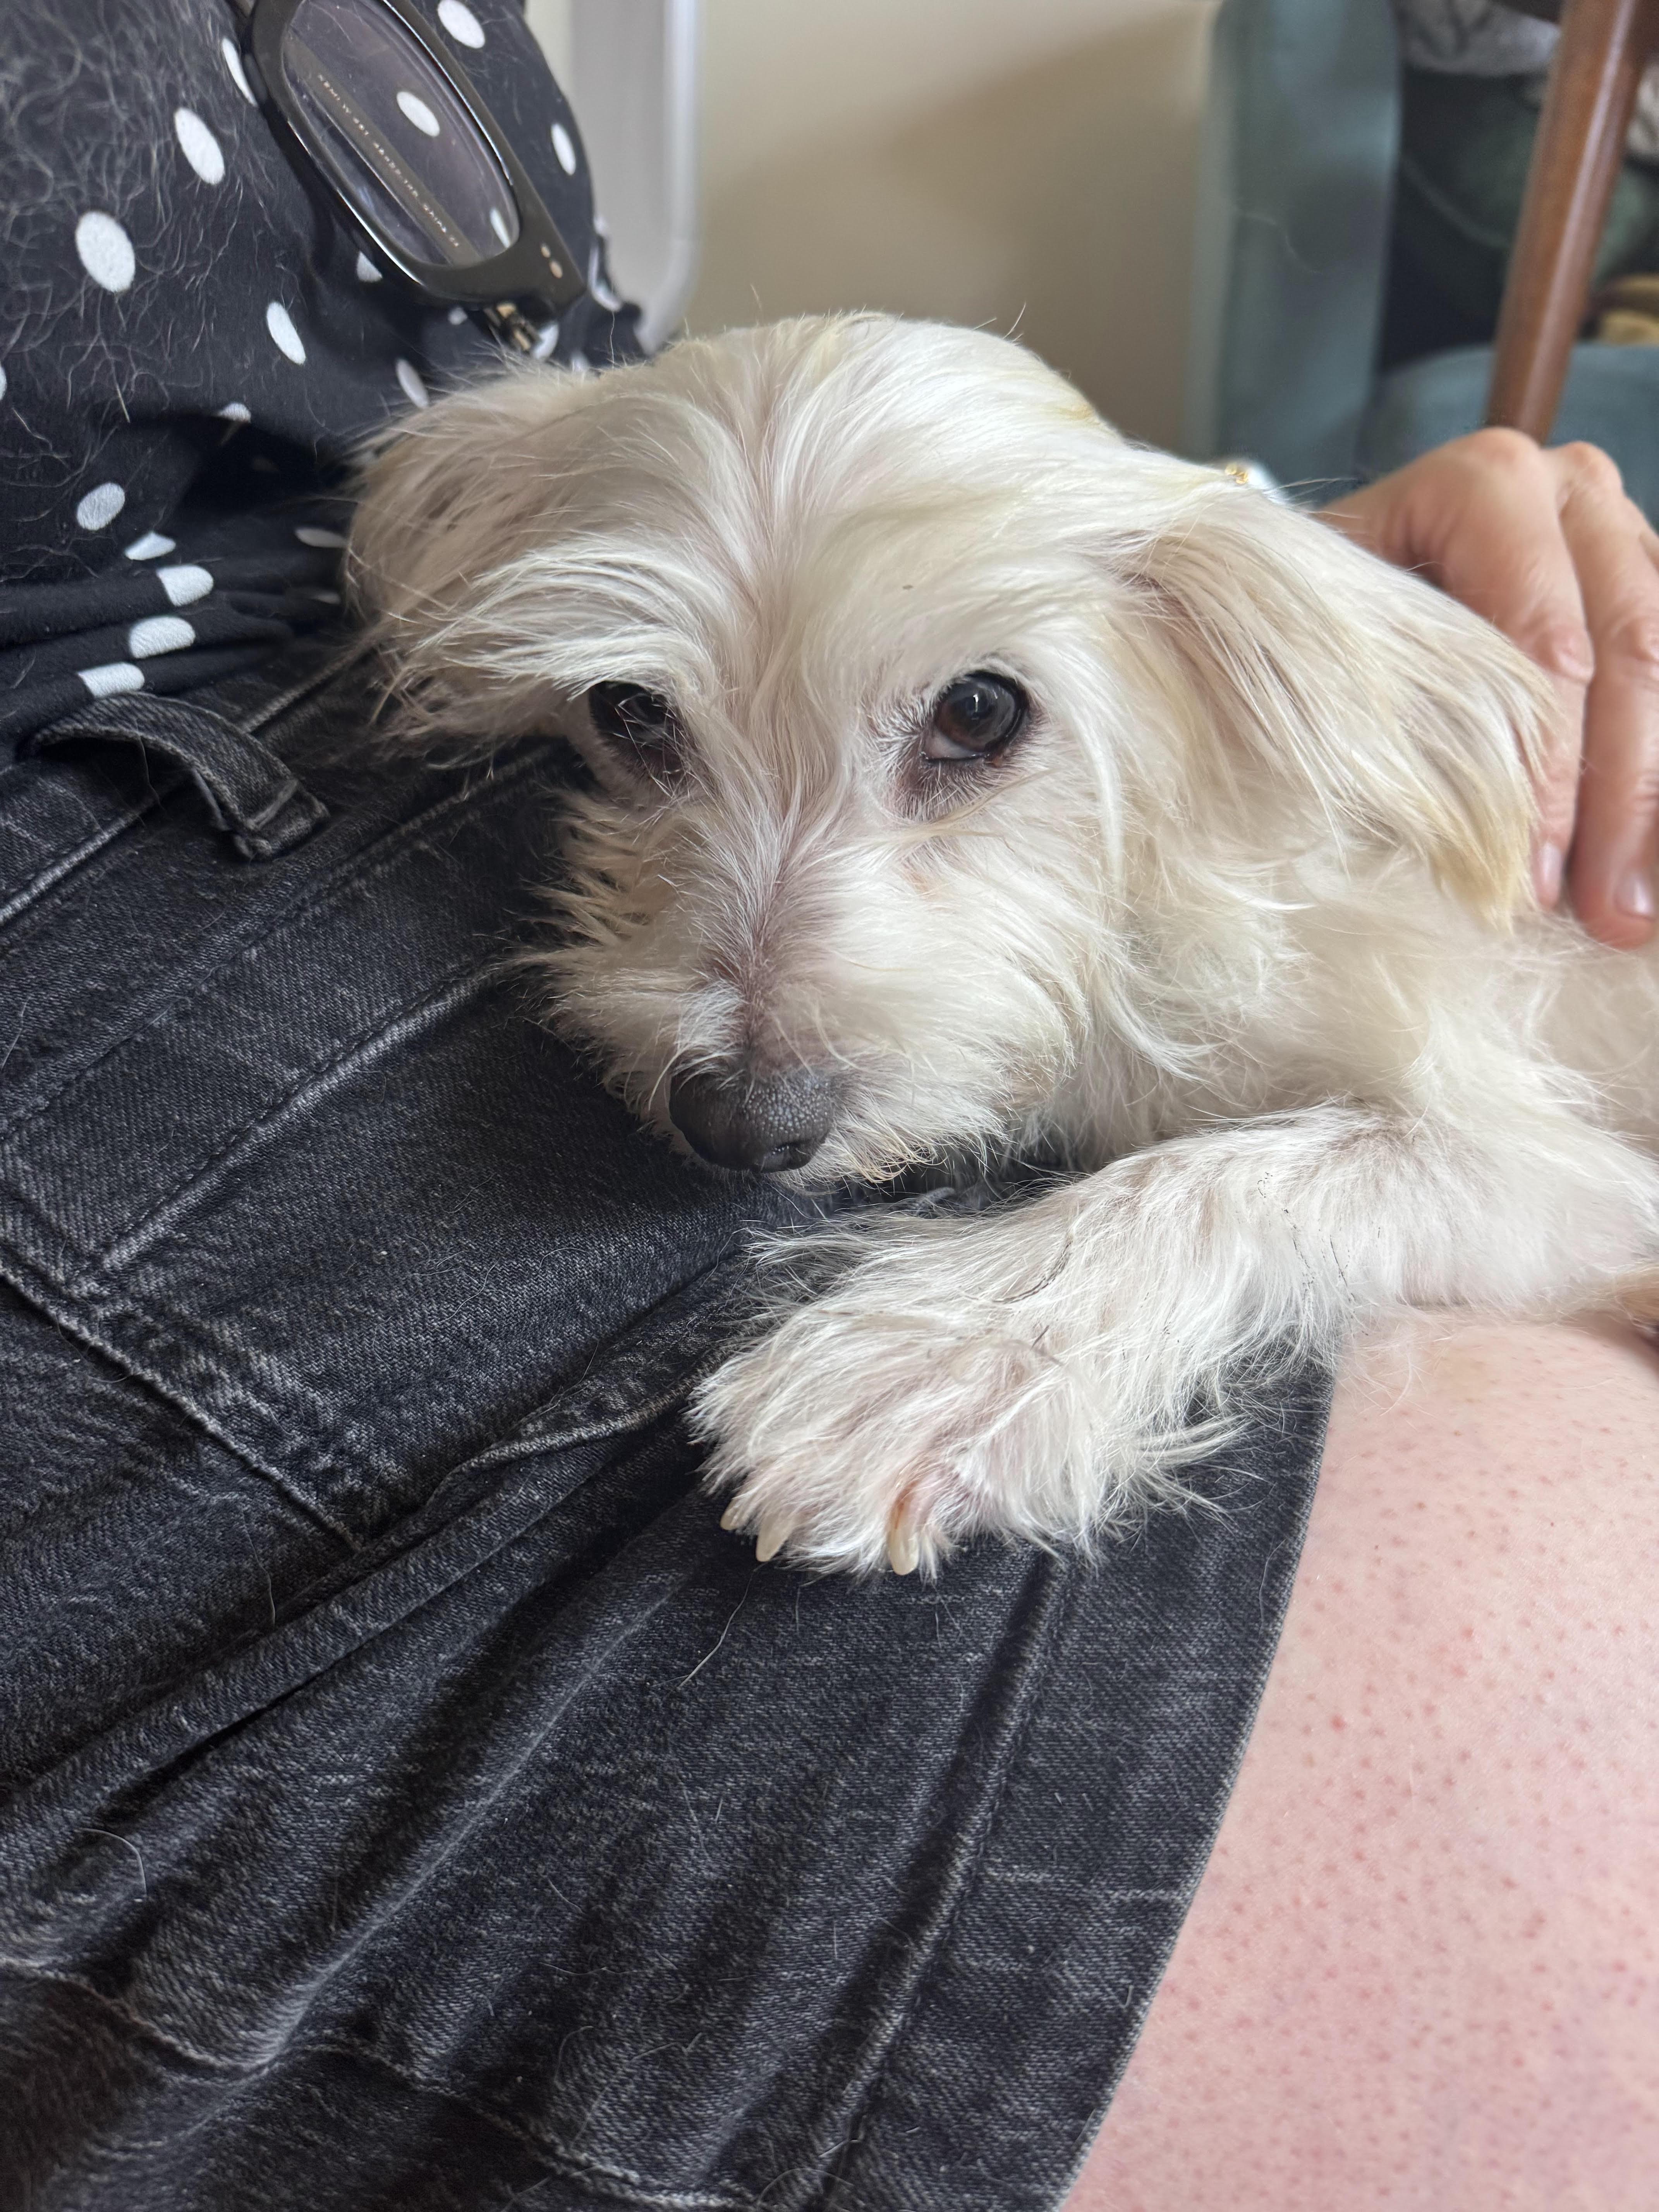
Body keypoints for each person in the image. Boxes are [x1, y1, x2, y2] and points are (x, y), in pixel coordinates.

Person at [0, 9, 1653, 2210]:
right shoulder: (470, 529)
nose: (756, 1024)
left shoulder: (1248, 744)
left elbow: (1551, 1173)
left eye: (975, 724)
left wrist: (1110, 1281)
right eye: (637, 728)